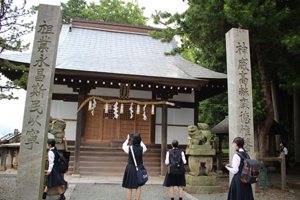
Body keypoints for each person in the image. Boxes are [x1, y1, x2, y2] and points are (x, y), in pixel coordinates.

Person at [122, 133, 147, 200]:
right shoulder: (142, 149)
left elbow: (124, 146)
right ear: (139, 141)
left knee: (129, 186)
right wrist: (139, 139)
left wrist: (127, 139)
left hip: (130, 168)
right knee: (138, 186)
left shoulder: (129, 148)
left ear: (132, 141)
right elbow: (145, 147)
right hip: (139, 167)